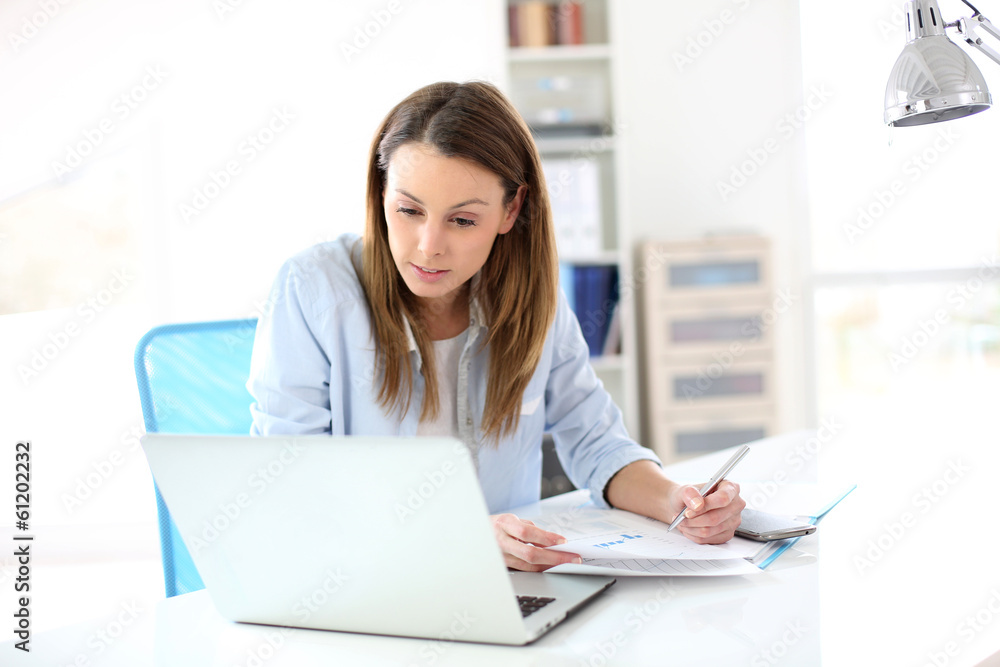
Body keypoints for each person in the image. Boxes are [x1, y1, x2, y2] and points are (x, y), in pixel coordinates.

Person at [248, 80, 745, 572]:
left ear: (511, 209)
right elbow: (295, 486)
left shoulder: (533, 299)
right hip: (367, 579)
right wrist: (459, 537)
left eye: (462, 220)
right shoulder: (313, 289)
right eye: (408, 210)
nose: (428, 245)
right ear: (380, 194)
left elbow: (597, 443)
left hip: (508, 588)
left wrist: (679, 503)